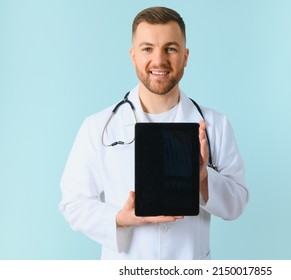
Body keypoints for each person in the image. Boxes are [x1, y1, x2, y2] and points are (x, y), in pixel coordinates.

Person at [59, 6, 249, 260]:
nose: (159, 60)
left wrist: (203, 178)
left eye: (170, 48)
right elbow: (72, 203)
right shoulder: (99, 127)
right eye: (147, 48)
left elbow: (236, 204)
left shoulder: (215, 125)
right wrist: (119, 218)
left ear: (185, 56)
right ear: (133, 56)